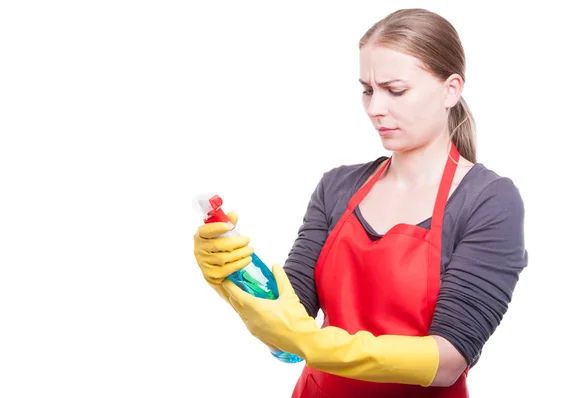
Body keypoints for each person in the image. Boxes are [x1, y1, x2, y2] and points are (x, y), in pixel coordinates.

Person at [194, 8, 528, 398]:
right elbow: (289, 326)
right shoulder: (337, 187)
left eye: (395, 90)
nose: (374, 109)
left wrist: (314, 345)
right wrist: (234, 276)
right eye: (368, 90)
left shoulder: (489, 201)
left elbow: (449, 361)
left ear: (451, 89)